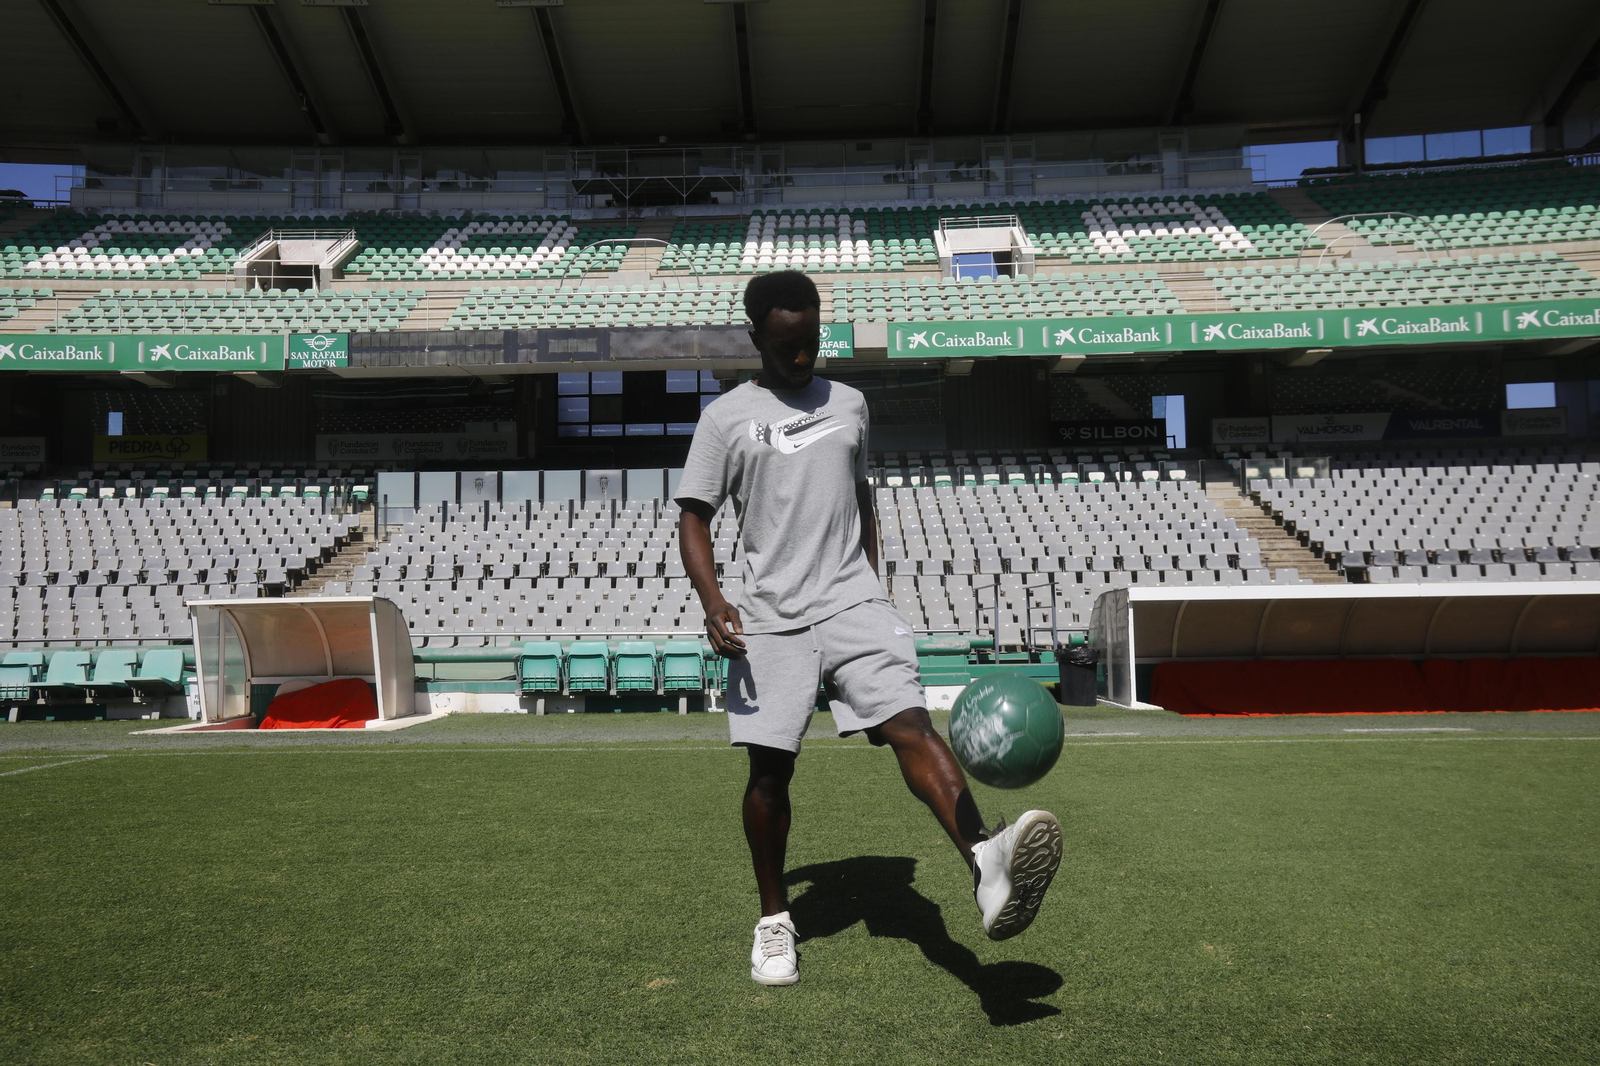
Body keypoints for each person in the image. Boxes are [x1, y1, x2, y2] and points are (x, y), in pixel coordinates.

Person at [675, 270, 1062, 987]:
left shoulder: (850, 403)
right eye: (787, 346)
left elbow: (859, 495)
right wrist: (713, 599)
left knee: (910, 723)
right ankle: (774, 921)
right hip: (770, 615)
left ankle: (987, 861)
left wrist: (874, 591)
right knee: (770, 769)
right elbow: (692, 517)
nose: (802, 358)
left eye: (812, 342)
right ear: (757, 338)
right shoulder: (726, 417)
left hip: (853, 601)